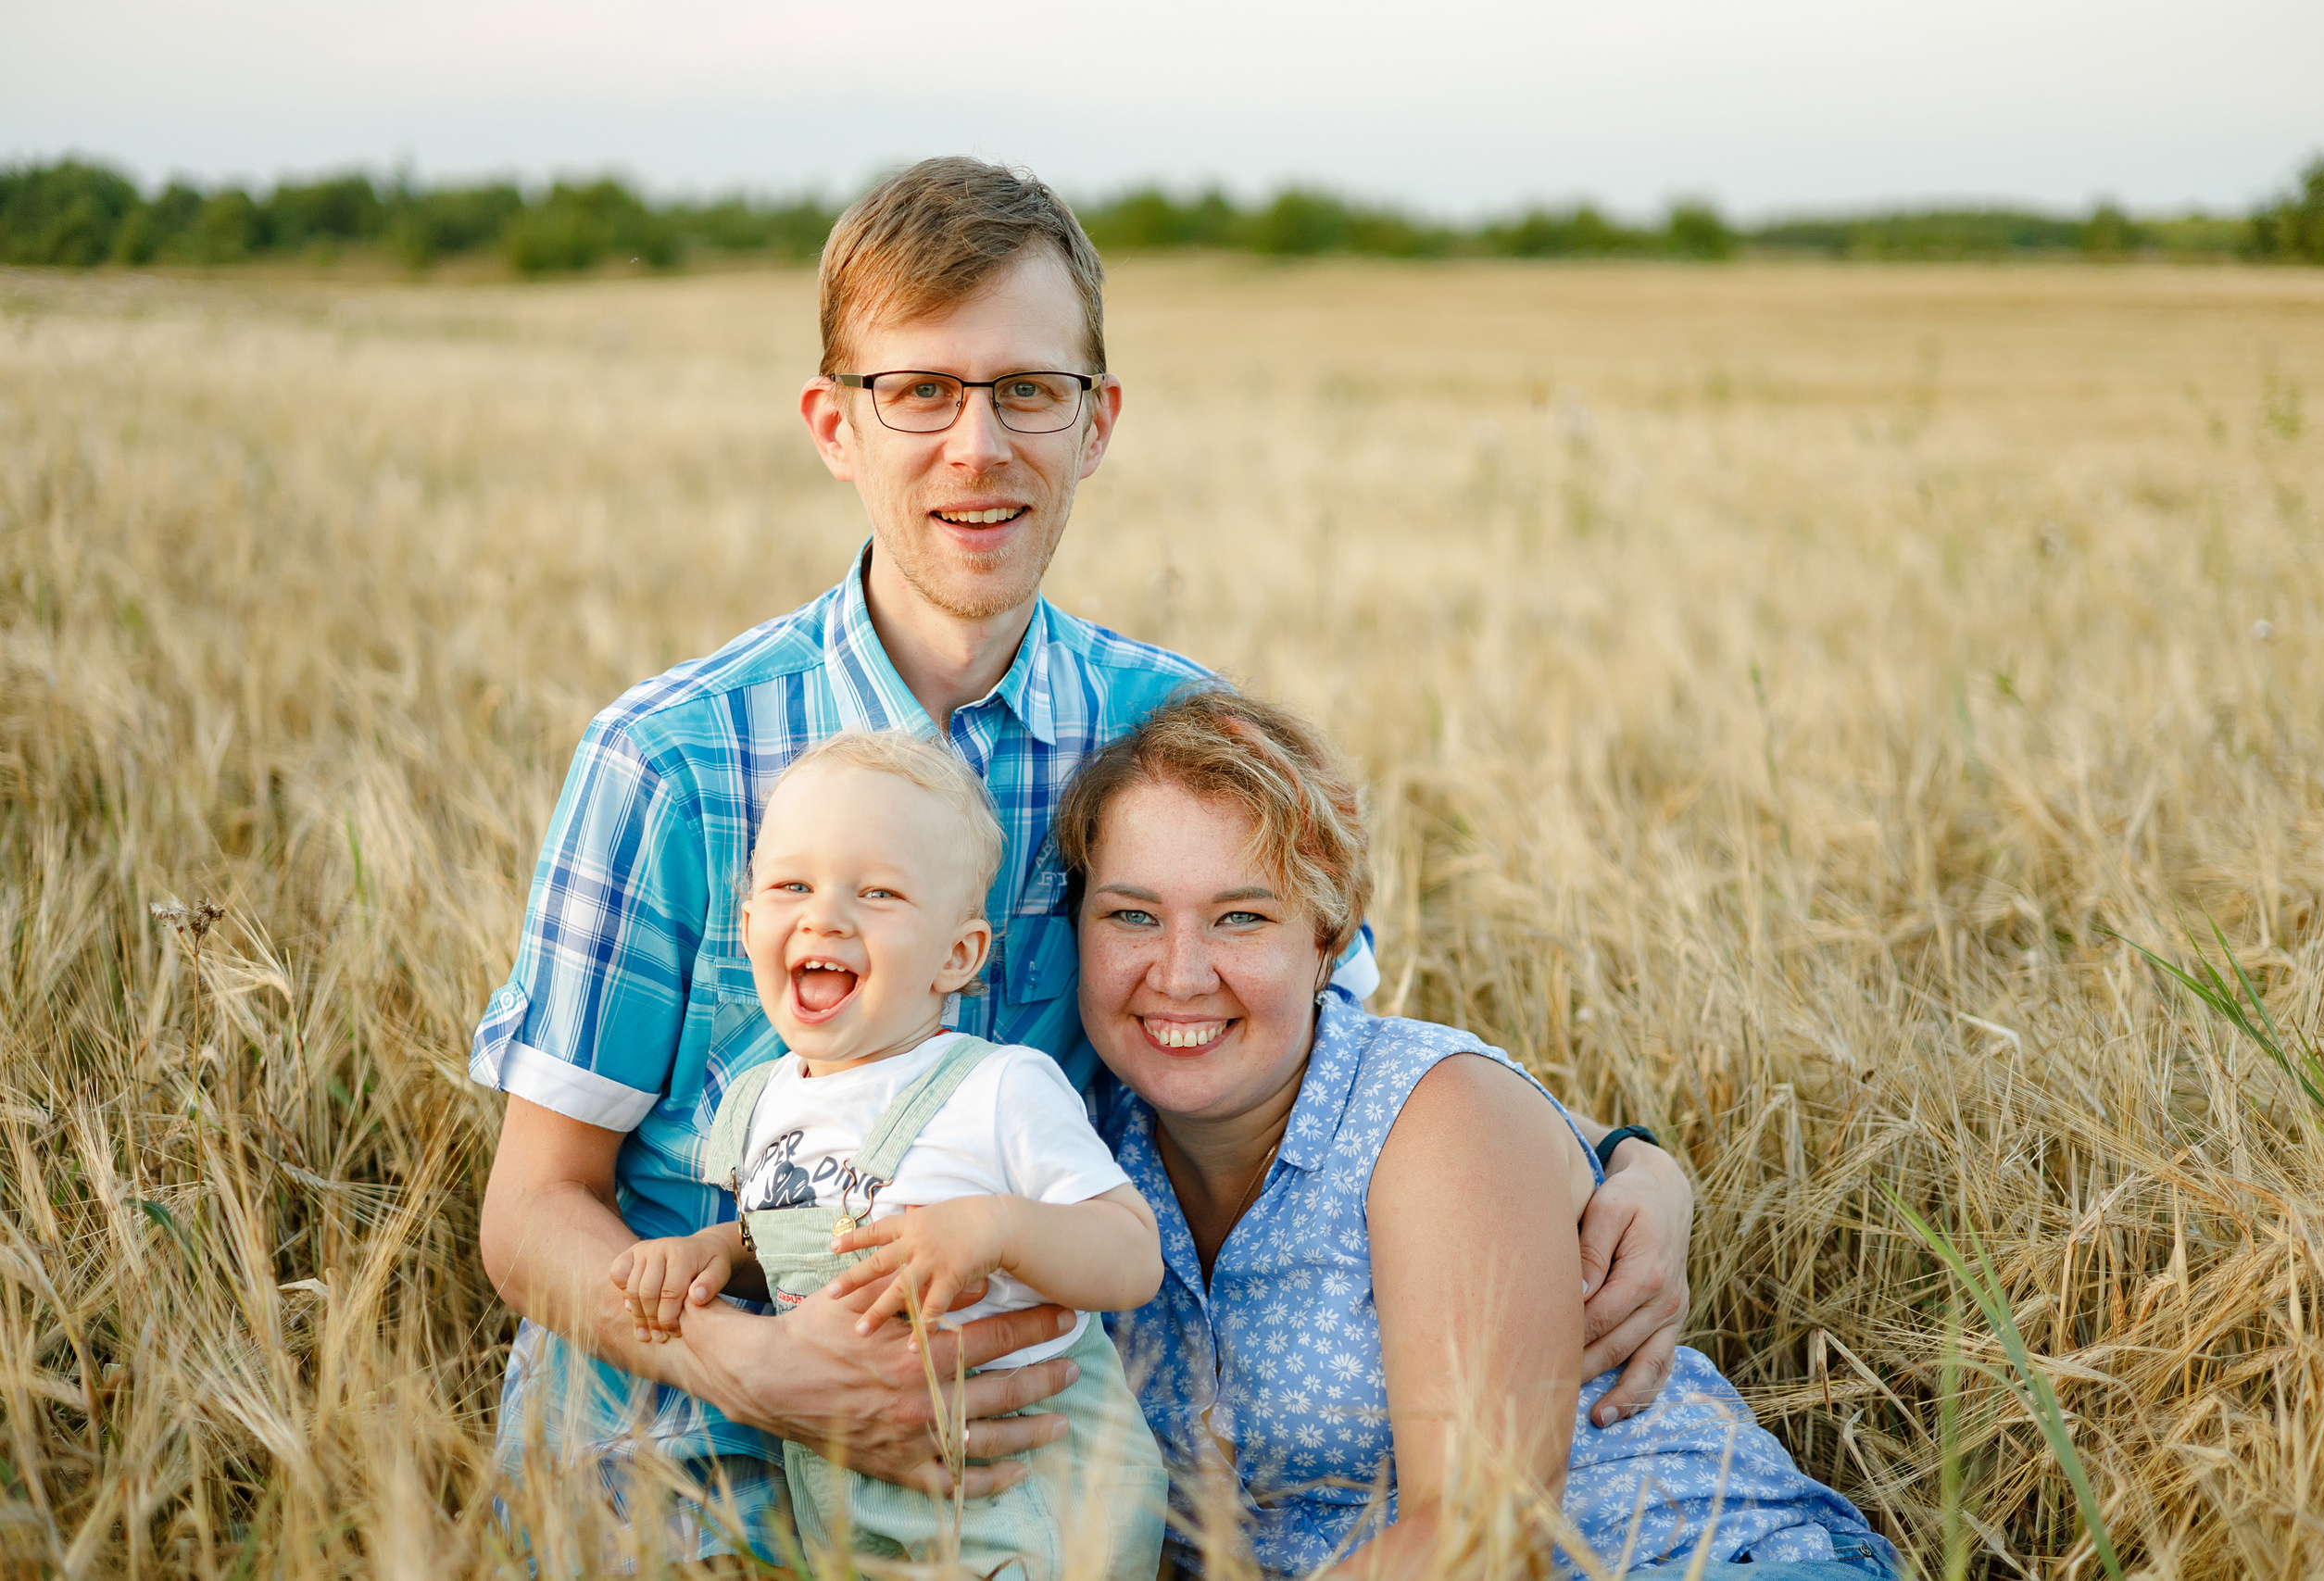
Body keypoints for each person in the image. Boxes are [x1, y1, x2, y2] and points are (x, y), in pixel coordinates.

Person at [473, 156, 1698, 1562]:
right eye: (919, 390)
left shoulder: (1170, 738)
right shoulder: (673, 762)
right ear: (833, 423)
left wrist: (1629, 1164)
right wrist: (757, 1369)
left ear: (1096, 420)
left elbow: (1344, 1092)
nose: (977, 446)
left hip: (1036, 1498)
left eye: (1027, 390)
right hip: (688, 1466)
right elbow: (530, 1209)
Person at [1060, 688, 1899, 1578]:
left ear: (1330, 939)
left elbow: (1479, 1536)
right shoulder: (1076, 1158)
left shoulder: (1436, 1113)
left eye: (1242, 916)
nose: (1181, 973)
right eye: (1133, 915)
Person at [608, 730, 1167, 1576]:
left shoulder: (999, 1088)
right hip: (851, 1487)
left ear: (958, 954)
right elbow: (791, 1246)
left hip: (1024, 1491)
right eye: (793, 884)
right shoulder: (760, 1100)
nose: (825, 914)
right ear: (751, 920)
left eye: (877, 892)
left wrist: (1000, 1230)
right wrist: (709, 1255)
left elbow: (1133, 1257)